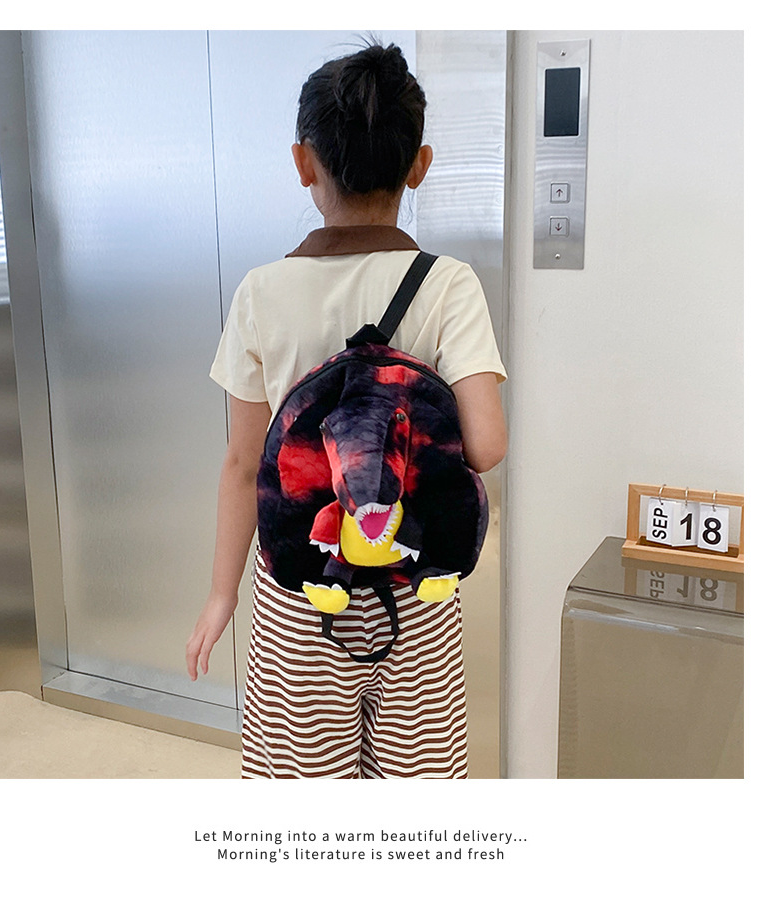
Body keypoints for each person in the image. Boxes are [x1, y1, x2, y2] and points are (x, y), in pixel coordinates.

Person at [186, 41, 507, 778]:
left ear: (304, 163)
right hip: (415, 586)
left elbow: (243, 464)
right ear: (418, 165)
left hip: (301, 590)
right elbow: (486, 445)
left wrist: (221, 594)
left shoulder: (262, 292)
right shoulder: (449, 284)